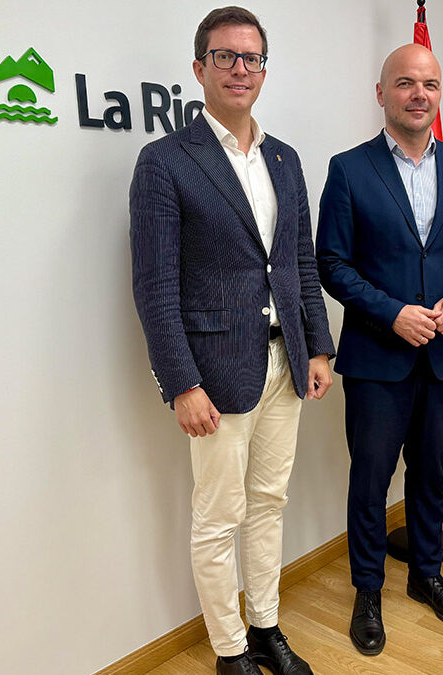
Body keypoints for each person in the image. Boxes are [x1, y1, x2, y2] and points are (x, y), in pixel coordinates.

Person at [129, 7, 335, 674]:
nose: (240, 68)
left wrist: (318, 347)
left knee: (270, 502)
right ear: (199, 69)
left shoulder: (284, 157)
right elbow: (155, 285)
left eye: (251, 58)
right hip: (215, 370)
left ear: (264, 70)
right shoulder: (164, 161)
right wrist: (181, 383)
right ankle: (229, 648)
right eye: (225, 56)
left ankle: (267, 624)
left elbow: (297, 260)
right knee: (219, 515)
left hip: (285, 360)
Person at [316, 44, 443, 656]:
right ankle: (368, 589)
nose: (419, 94)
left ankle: (427, 576)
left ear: (440, 94)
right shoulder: (348, 169)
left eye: (430, 84)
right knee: (370, 481)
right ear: (382, 93)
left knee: (427, 475)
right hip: (376, 359)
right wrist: (391, 312)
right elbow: (331, 263)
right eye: (405, 83)